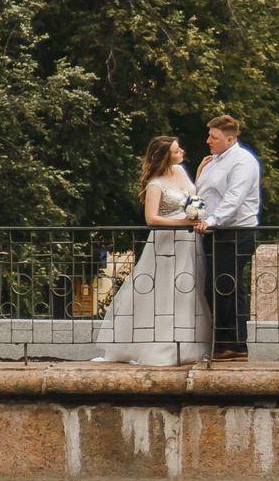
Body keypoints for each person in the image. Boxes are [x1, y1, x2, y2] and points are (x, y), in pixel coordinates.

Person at [90, 135, 208, 366]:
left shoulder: (182, 171)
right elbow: (151, 218)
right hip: (167, 241)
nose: (181, 152)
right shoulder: (155, 184)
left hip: (189, 243)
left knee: (187, 290)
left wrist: (201, 172)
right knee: (165, 291)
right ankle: (160, 348)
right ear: (165, 157)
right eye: (176, 151)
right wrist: (183, 223)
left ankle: (187, 346)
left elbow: (190, 195)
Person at [190, 114, 261, 361]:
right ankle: (228, 344)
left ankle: (234, 345)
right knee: (222, 288)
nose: (208, 140)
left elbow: (234, 198)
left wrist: (211, 220)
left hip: (235, 233)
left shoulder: (243, 162)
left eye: (213, 136)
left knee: (222, 288)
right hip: (215, 233)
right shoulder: (213, 162)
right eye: (209, 135)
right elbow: (202, 194)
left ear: (229, 139)